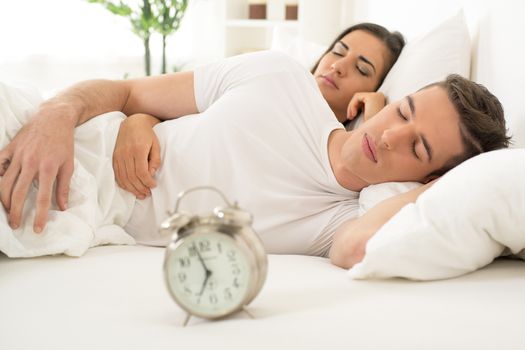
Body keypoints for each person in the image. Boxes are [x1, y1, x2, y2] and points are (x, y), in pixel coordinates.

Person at [0, 52, 509, 267]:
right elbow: (129, 90)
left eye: (417, 147)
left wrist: (435, 188)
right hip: (57, 130)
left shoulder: (344, 219)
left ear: (431, 175)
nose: (391, 136)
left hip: (78, 211)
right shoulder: (279, 76)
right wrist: (56, 116)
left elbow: (354, 250)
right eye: (404, 110)